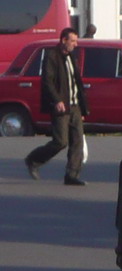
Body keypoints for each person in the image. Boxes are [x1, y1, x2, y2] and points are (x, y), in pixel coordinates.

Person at [25, 27, 89, 186]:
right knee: (61, 141)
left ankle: (72, 175)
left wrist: (82, 107)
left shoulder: (72, 58)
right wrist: (57, 100)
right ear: (63, 40)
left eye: (76, 41)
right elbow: (48, 81)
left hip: (75, 106)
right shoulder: (52, 56)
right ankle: (34, 159)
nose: (75, 44)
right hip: (61, 105)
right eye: (72, 41)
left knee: (77, 141)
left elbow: (77, 83)